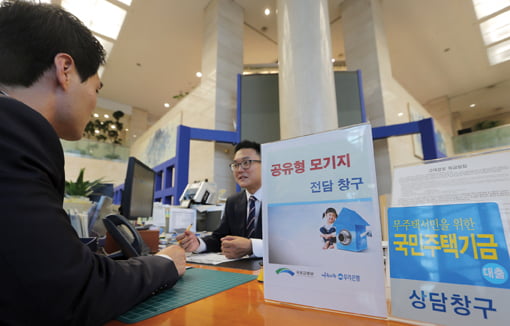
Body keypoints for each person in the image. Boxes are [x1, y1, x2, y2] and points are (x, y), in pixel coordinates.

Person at [0, 2, 186, 325]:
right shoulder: (13, 140)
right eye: (96, 88)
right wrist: (165, 264)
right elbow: (71, 290)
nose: (94, 100)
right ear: (65, 70)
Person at [177, 140, 263, 259]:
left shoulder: (282, 198)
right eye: (235, 165)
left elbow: (291, 244)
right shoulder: (234, 201)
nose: (239, 170)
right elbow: (220, 238)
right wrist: (198, 243)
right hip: (241, 271)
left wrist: (252, 246)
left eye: (246, 162)